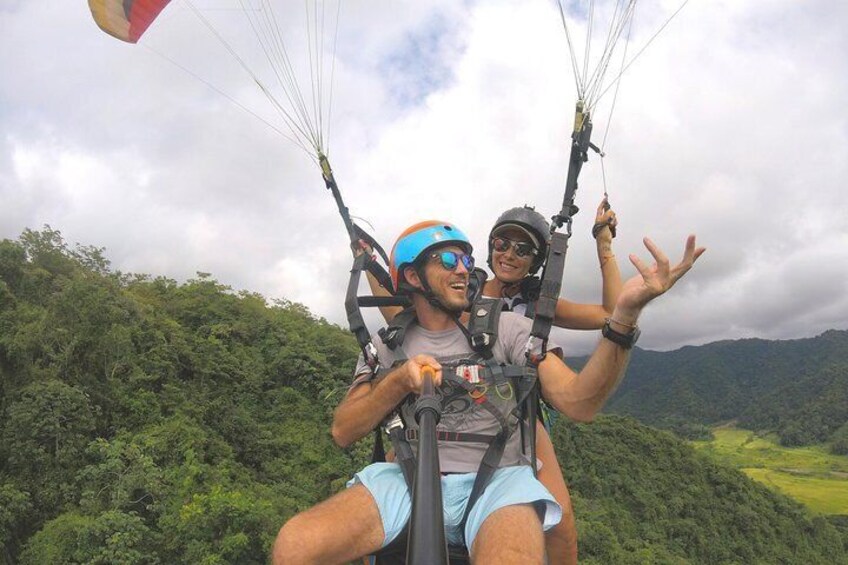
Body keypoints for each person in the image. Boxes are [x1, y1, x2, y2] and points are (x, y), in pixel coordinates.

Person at [272, 220, 704, 564]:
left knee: (549, 534)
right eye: (448, 259)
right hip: (409, 473)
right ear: (412, 277)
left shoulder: (508, 325)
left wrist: (623, 320)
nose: (463, 268)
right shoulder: (389, 343)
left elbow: (579, 402)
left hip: (499, 476)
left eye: (466, 258)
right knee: (295, 546)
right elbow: (343, 430)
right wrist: (400, 380)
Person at [483, 199, 621, 562]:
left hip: (520, 409)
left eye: (523, 249)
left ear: (536, 262)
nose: (510, 254)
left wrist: (603, 246)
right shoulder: (464, 291)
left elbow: (611, 313)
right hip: (462, 400)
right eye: (502, 243)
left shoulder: (540, 303)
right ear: (490, 247)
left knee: (561, 527)